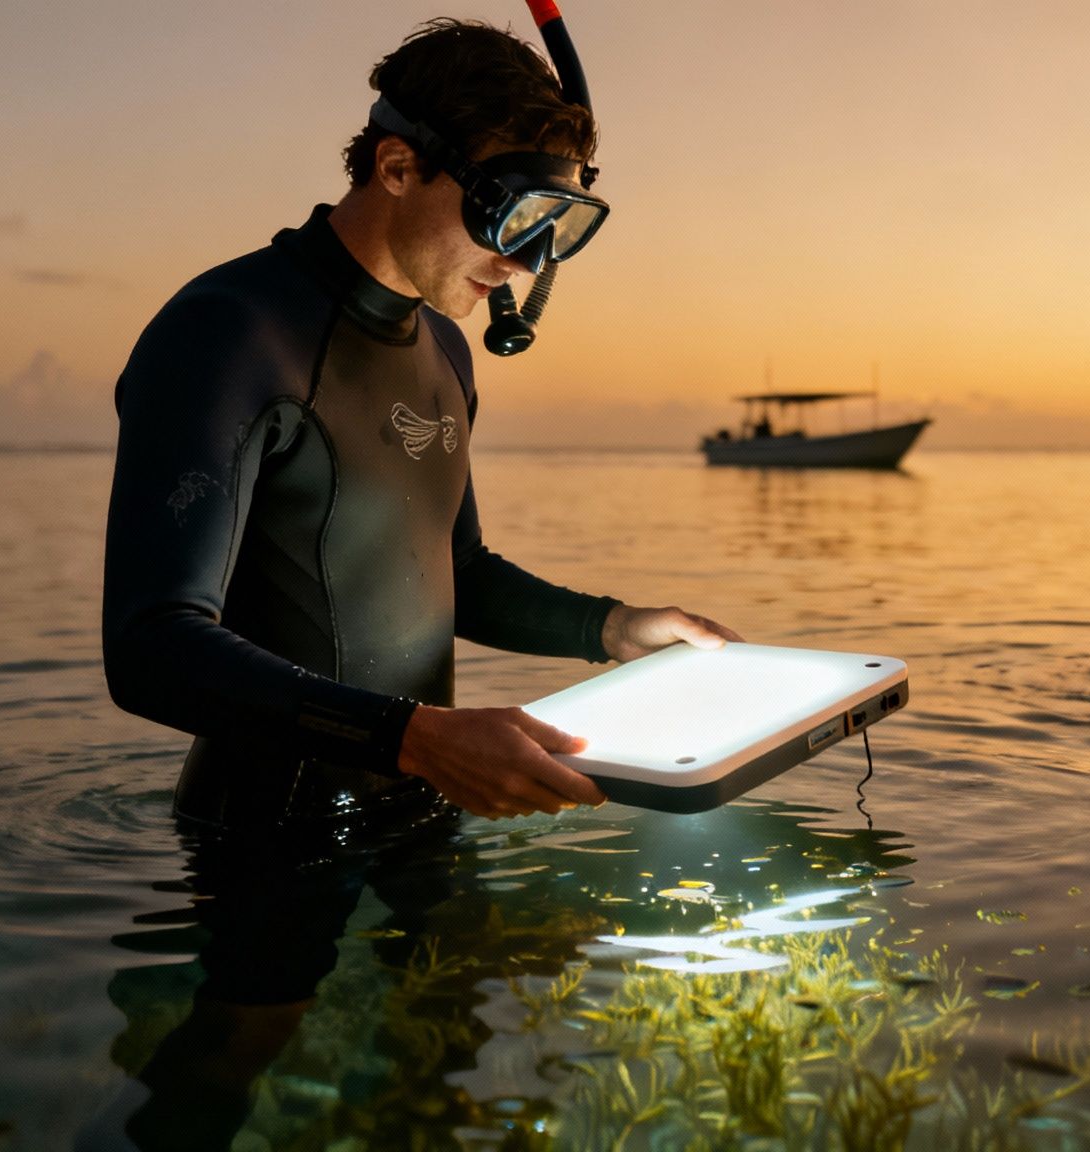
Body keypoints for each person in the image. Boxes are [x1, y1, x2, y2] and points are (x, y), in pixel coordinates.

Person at [100, 19, 740, 830]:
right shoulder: (228, 334)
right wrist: (415, 738)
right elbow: (150, 649)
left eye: (560, 227)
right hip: (270, 843)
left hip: (428, 807)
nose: (527, 263)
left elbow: (454, 571)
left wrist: (611, 628)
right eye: (510, 214)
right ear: (397, 167)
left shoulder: (444, 345)